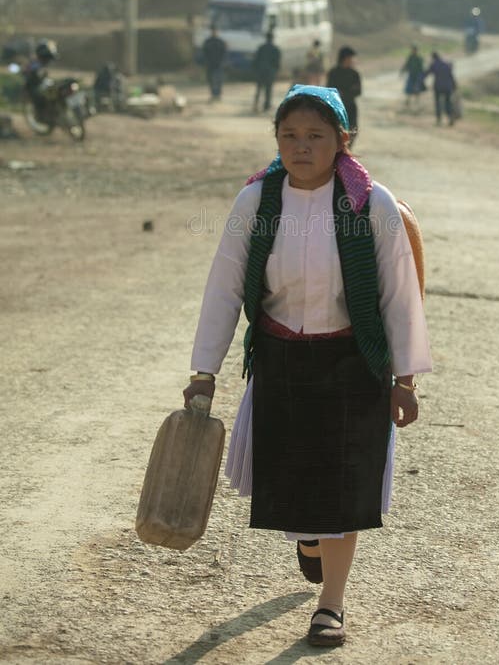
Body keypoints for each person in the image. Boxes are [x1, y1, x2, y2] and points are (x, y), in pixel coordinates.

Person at [184, 84, 432, 648]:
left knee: (345, 489)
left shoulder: (372, 205)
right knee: (297, 482)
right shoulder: (257, 203)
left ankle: (331, 606)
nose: (302, 146)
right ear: (276, 141)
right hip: (281, 360)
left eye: (316, 136)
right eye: (290, 135)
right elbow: (224, 288)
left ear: (343, 142)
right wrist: (204, 371)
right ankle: (311, 541)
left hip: (352, 362)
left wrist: (405, 378)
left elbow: (399, 295)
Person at [326, 46, 361, 143]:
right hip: (336, 107)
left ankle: (347, 152)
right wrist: (347, 91)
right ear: (344, 58)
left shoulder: (354, 74)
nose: (352, 61)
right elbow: (330, 90)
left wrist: (343, 92)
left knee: (352, 131)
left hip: (350, 107)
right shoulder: (333, 73)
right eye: (350, 58)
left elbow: (358, 91)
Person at [424, 51, 456, 126]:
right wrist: (454, 86)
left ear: (433, 58)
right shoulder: (446, 64)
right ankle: (450, 117)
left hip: (438, 87)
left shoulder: (434, 64)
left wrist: (419, 81)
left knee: (438, 104)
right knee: (448, 103)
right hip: (448, 87)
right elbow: (451, 76)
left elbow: (426, 73)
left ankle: (439, 120)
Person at [252, 31, 281, 112]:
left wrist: (255, 69)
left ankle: (256, 104)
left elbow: (256, 60)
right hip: (270, 71)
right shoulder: (275, 49)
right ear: (272, 38)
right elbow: (277, 62)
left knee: (259, 88)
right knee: (268, 89)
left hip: (260, 70)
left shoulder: (261, 47)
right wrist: (276, 71)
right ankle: (266, 105)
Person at [200, 24, 227, 102]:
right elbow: (204, 53)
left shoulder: (220, 42)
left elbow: (224, 53)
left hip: (219, 64)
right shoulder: (208, 42)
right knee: (211, 80)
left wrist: (223, 62)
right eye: (213, 31)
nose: (214, 32)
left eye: (215, 31)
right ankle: (213, 94)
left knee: (219, 80)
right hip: (210, 64)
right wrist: (206, 62)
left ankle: (218, 95)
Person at [401, 45, 425, 111]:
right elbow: (406, 65)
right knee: (409, 89)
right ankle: (408, 101)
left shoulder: (419, 58)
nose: (413, 51)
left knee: (417, 89)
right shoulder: (410, 57)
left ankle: (417, 102)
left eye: (415, 49)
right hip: (411, 75)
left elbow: (422, 68)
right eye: (413, 49)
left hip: (417, 76)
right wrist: (402, 71)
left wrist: (422, 76)